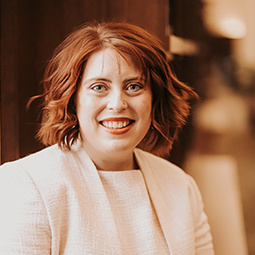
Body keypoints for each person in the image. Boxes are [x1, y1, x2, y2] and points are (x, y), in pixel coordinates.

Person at [0, 22, 214, 254]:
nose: (117, 104)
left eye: (133, 86)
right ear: (72, 98)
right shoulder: (26, 184)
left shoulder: (180, 185)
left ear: (155, 99)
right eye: (99, 87)